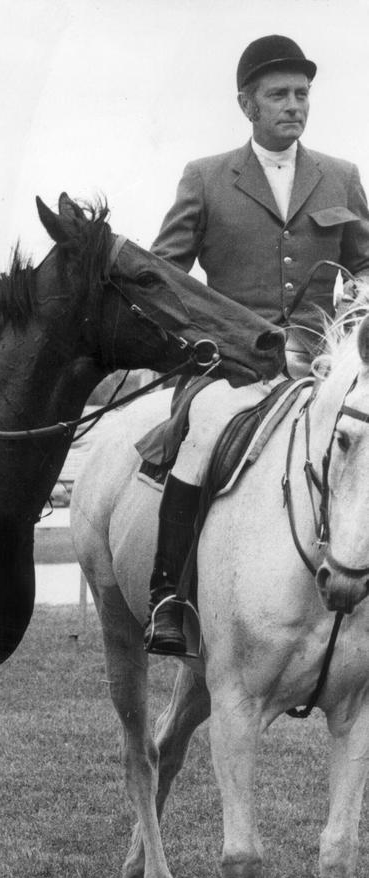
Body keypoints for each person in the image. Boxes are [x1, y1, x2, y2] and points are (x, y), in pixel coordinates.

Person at [143, 34, 369, 654]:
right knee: (203, 433)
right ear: (247, 105)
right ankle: (168, 593)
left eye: (301, 94)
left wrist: (357, 308)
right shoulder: (207, 178)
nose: (293, 106)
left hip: (324, 363)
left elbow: (367, 264)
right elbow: (165, 276)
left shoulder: (342, 176)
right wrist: (199, 343)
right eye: (278, 95)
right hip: (235, 368)